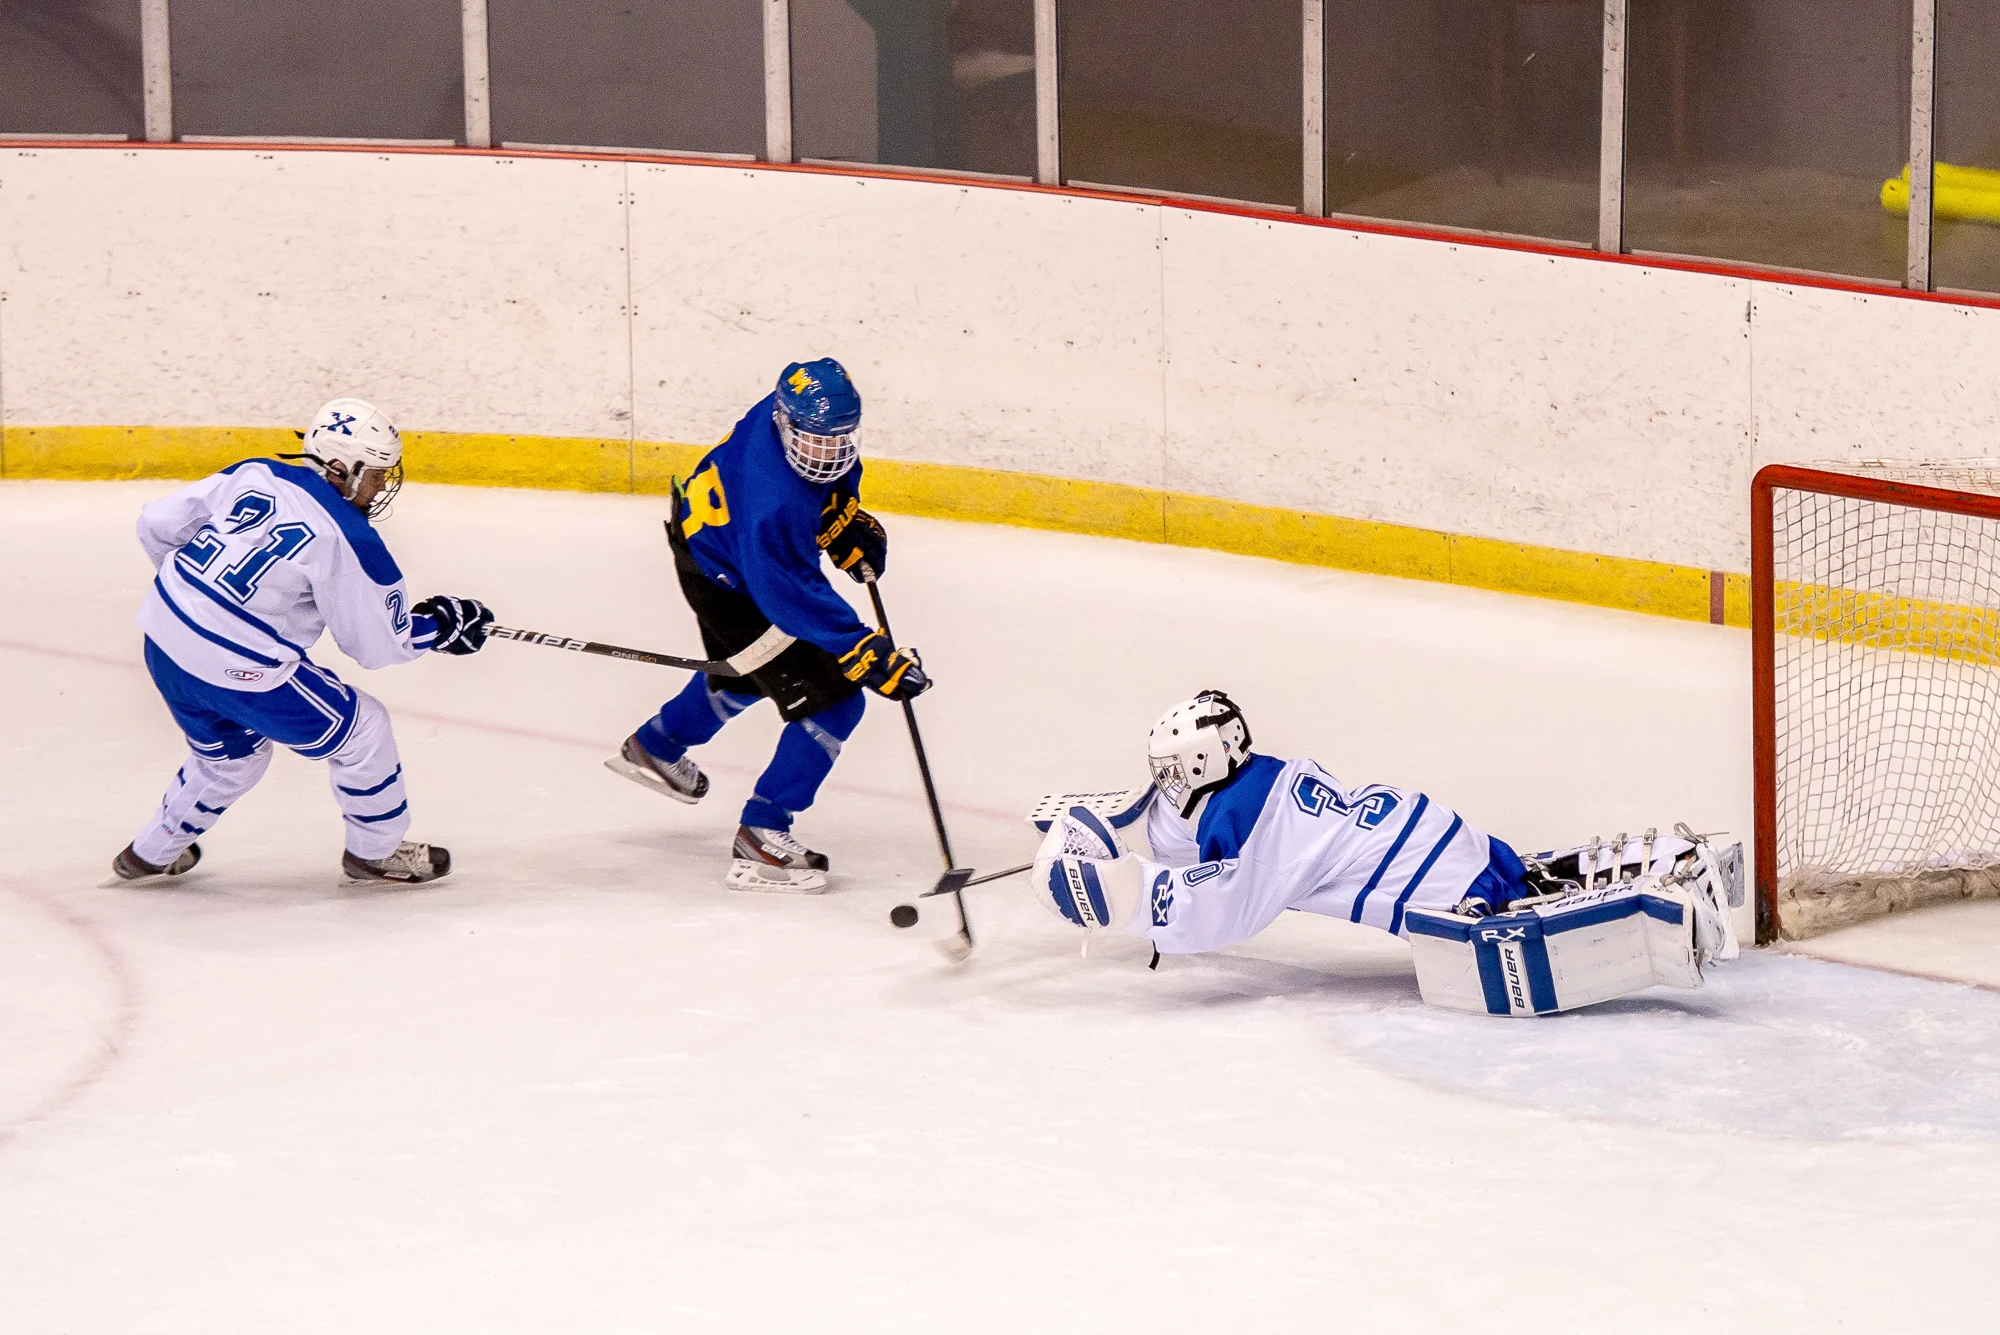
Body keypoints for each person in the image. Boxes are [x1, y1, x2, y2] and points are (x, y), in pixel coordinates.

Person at [1029, 690, 1741, 1015]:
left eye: (1168, 771)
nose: (1165, 783)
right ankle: (1667, 861)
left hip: (1444, 887)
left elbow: (1219, 909)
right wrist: (1115, 816)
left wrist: (1115, 892)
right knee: (1516, 876)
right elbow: (1193, 836)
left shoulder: (1264, 826)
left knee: (1502, 916)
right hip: (1451, 837)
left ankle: (1660, 907)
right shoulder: (1264, 776)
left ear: (1199, 765)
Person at [112, 398, 495, 886]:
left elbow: (156, 524)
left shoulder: (255, 473)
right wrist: (440, 627)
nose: (382, 485)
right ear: (340, 468)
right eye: (376, 473)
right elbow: (378, 644)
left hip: (162, 638)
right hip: (240, 672)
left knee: (231, 758)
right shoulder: (348, 536)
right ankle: (373, 853)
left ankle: (148, 854)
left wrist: (199, 600)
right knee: (364, 731)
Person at [605, 359, 930, 893]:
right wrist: (865, 653)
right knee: (835, 700)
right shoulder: (772, 505)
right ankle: (762, 836)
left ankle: (655, 746)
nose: (827, 453)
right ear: (785, 421)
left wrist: (838, 515)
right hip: (733, 582)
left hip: (713, 553)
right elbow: (790, 597)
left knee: (750, 672)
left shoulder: (780, 416)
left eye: (840, 438)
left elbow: (822, 491)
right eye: (815, 439)